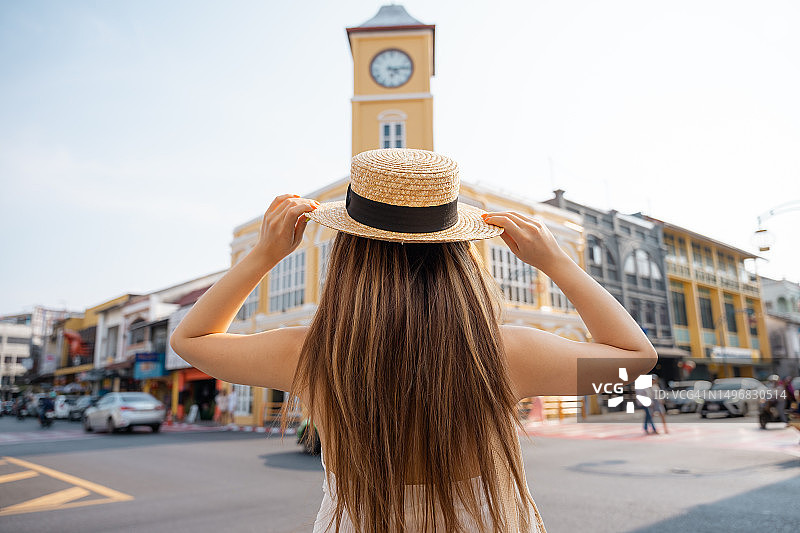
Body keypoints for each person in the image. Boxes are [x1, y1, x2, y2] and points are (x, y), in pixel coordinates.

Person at [170, 149, 658, 532]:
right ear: (457, 251)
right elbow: (635, 358)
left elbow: (192, 339)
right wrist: (558, 263)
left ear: (347, 253)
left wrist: (264, 253)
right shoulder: (505, 353)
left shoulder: (312, 354)